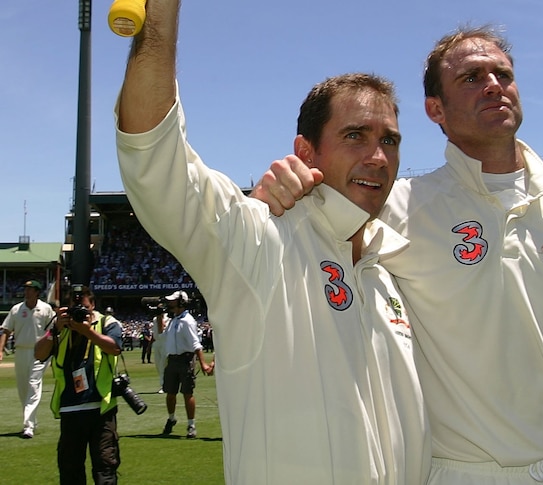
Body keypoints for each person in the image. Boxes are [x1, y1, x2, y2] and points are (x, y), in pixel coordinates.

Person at [253, 25, 543, 484]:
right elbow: (321, 227)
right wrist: (284, 192)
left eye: (502, 75)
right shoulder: (398, 207)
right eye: (471, 78)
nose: (493, 85)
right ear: (435, 110)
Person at [115, 1, 429, 482]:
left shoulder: (393, 270)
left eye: (390, 140)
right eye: (355, 135)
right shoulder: (259, 240)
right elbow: (154, 156)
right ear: (306, 150)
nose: (378, 156)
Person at [34, 285, 123, 484]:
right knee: (70, 470)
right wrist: (54, 329)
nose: (80, 313)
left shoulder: (106, 322)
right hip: (70, 409)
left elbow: (115, 348)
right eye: (75, 308)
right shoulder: (61, 328)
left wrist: (88, 331)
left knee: (105, 469)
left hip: (101, 409)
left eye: (84, 308)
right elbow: (39, 353)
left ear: (93, 305)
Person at [0, 280, 55, 439]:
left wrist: (50, 349)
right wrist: (0, 350)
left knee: (33, 385)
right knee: (23, 388)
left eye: (30, 289)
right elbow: (6, 330)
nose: (27, 292)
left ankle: (28, 426)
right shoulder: (16, 309)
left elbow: (53, 330)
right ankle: (32, 420)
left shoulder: (45, 309)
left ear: (37, 292)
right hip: (21, 351)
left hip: (39, 352)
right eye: (26, 289)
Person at [158, 290, 212, 439]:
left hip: (185, 359)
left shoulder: (187, 321)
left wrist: (203, 363)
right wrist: (157, 317)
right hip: (172, 360)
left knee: (187, 393)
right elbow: (161, 335)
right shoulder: (173, 320)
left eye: (173, 301)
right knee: (170, 393)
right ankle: (171, 418)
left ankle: (191, 424)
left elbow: (196, 344)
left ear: (181, 302)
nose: (169, 303)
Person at [151, 307, 169, 393]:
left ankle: (164, 385)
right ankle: (164, 383)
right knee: (158, 364)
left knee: (163, 364)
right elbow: (154, 332)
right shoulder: (154, 319)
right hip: (157, 342)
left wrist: (160, 318)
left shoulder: (168, 318)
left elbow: (164, 328)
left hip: (165, 341)